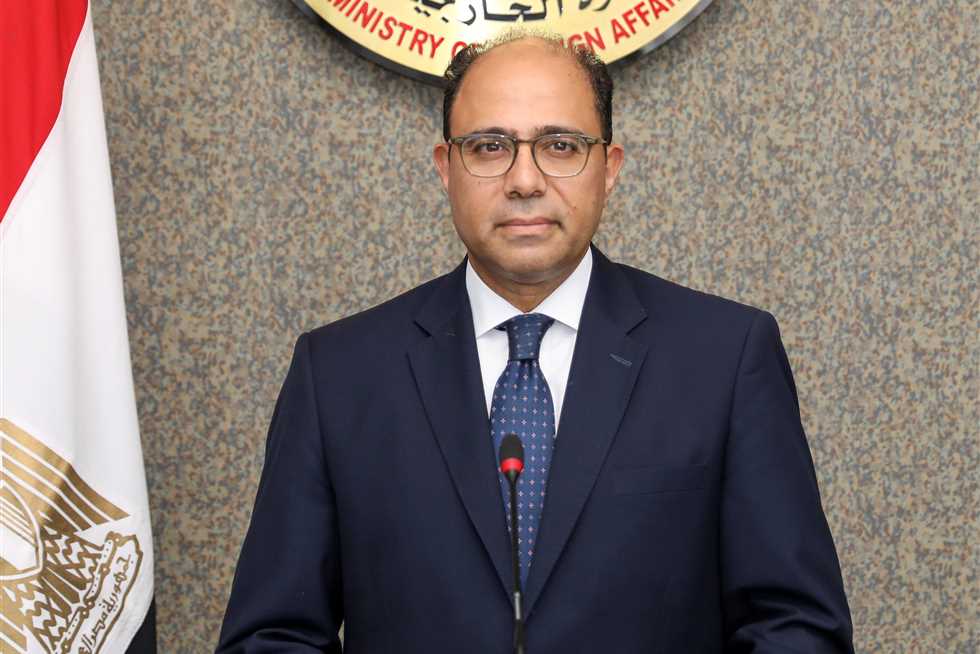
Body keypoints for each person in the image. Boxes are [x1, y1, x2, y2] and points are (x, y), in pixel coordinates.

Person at [217, 33, 854, 653]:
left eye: (560, 145)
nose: (525, 179)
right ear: (446, 170)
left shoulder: (724, 358)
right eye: (489, 147)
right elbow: (273, 635)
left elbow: (796, 625)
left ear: (609, 169)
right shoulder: (339, 374)